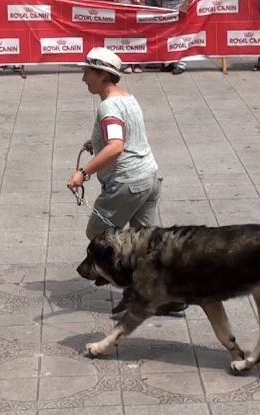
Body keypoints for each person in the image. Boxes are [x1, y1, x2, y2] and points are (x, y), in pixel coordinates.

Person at [67, 47, 188, 316]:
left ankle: (134, 288)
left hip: (127, 183)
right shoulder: (127, 98)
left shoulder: (108, 105)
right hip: (149, 178)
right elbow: (121, 135)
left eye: (87, 72)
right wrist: (96, 143)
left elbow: (117, 146)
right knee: (146, 244)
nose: (83, 78)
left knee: (98, 235)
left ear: (102, 75)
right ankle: (167, 295)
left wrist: (83, 173)